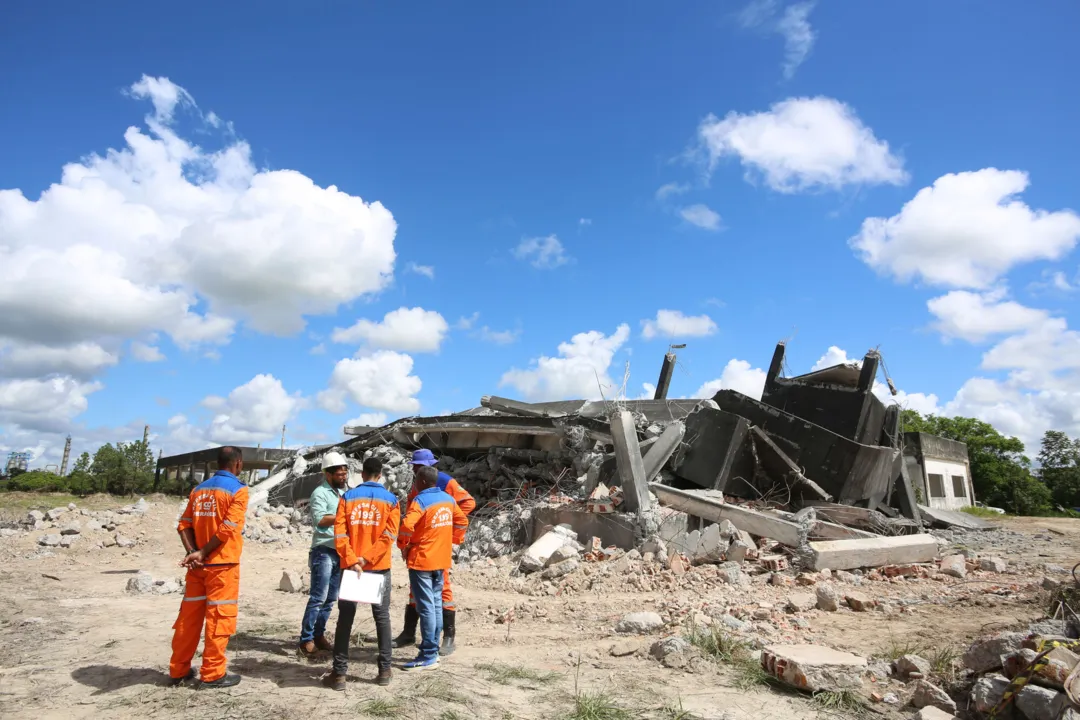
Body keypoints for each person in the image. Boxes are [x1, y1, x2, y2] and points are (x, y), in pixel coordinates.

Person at [168, 446, 248, 688]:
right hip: (221, 566)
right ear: (237, 464)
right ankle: (213, 674)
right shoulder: (239, 491)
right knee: (218, 619)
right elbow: (227, 529)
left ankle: (178, 670)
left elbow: (184, 524)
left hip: (197, 567)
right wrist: (202, 553)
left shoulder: (198, 490)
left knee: (189, 618)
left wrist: (193, 553)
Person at [321, 457, 399, 690]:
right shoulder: (392, 500)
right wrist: (367, 558)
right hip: (378, 567)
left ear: (363, 474)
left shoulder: (347, 498)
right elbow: (389, 536)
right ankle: (384, 670)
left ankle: (340, 675)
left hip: (351, 568)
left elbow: (340, 532)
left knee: (345, 619)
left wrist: (354, 560)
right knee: (382, 618)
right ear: (381, 474)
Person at [392, 449, 475, 656]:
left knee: (442, 593)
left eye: (416, 466)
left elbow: (468, 503)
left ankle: (447, 637)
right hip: (419, 548)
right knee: (416, 591)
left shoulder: (444, 481)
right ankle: (409, 633)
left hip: (434, 547)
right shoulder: (419, 482)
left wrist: (443, 526)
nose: (414, 469)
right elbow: (412, 514)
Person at [298, 451, 350, 657]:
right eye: (339, 474)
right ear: (328, 474)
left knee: (330, 599)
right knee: (318, 598)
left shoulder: (341, 494)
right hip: (324, 551)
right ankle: (306, 639)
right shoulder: (320, 493)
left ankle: (319, 635)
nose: (344, 477)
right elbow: (320, 519)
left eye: (345, 473)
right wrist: (343, 515)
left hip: (339, 550)